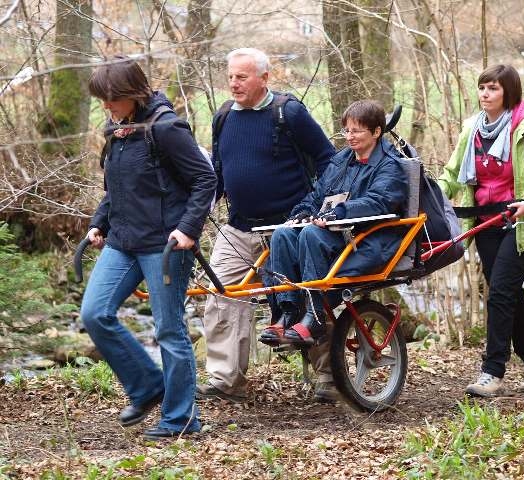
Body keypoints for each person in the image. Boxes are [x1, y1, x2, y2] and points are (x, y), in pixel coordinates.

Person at [80, 56, 216, 440]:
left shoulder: (167, 128)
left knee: (169, 330)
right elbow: (117, 188)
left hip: (166, 245)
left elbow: (205, 180)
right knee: (94, 313)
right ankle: (148, 387)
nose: (107, 107)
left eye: (112, 99)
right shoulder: (118, 129)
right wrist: (98, 224)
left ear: (133, 93)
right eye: (102, 100)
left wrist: (188, 229)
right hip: (123, 241)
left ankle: (181, 419)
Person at [197, 48, 337, 402]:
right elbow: (217, 171)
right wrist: (198, 211)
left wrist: (319, 210)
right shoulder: (224, 116)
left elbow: (328, 161)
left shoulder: (288, 112)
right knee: (221, 296)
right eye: (230, 76)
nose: (233, 83)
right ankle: (226, 381)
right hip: (239, 228)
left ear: (264, 77)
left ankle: (327, 377)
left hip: (289, 230)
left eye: (241, 77)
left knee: (308, 295)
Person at [437, 64, 524, 397]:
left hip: (523, 222)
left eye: (493, 88)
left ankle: (492, 371)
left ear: (508, 92)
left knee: (501, 292)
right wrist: (430, 194)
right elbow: (452, 174)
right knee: (506, 291)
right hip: (485, 222)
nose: (485, 94)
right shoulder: (472, 130)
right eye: (481, 87)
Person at [263, 99, 408, 344]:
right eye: (346, 130)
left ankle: (314, 316)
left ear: (376, 132)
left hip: (367, 238)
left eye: (356, 131)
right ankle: (286, 312)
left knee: (310, 234)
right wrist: (302, 211)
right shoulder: (341, 161)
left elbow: (379, 201)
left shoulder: (389, 165)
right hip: (335, 235)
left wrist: (338, 213)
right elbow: (318, 195)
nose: (349, 137)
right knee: (282, 235)